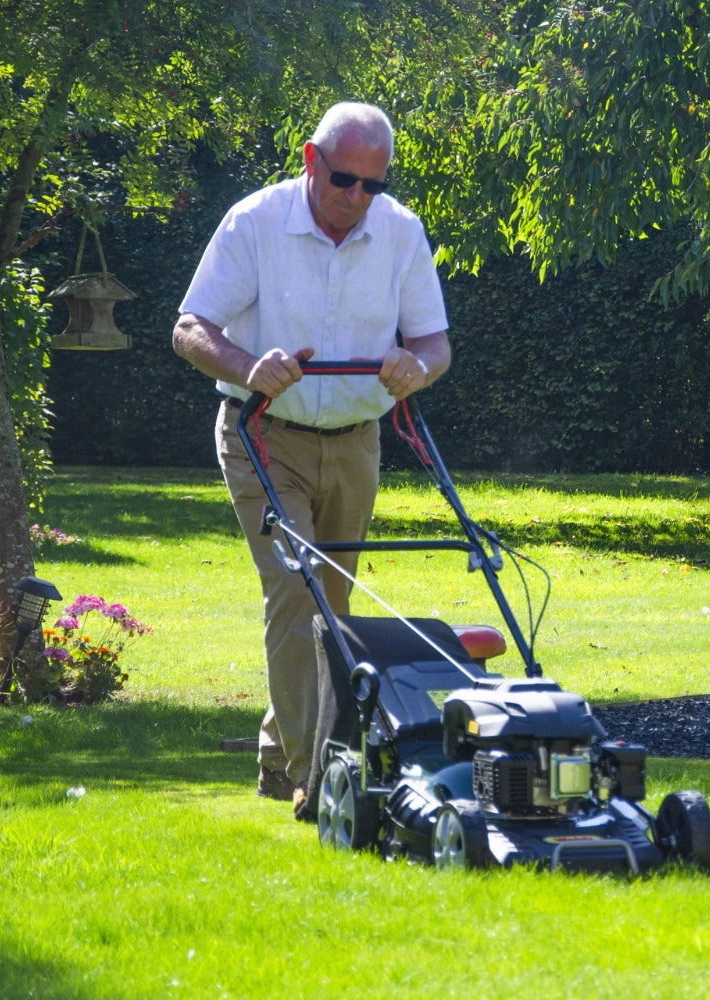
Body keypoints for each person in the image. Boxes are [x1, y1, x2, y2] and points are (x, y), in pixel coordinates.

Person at [172, 102, 451, 817]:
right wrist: (246, 363)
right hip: (262, 433)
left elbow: (434, 343)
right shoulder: (254, 223)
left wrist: (413, 368)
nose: (356, 197)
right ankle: (314, 775)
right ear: (310, 160)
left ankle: (277, 753)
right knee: (297, 595)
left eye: (373, 186)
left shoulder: (401, 234)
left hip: (357, 440)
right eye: (344, 179)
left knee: (334, 608)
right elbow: (189, 328)